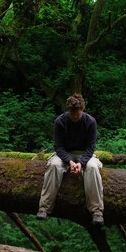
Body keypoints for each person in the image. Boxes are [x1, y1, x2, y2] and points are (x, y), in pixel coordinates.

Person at [36, 93, 104, 226]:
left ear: (82, 110)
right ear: (68, 110)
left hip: (84, 154)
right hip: (64, 153)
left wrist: (81, 163)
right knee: (54, 165)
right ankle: (44, 208)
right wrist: (70, 161)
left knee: (92, 168)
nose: (74, 116)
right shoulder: (60, 121)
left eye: (76, 114)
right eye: (71, 113)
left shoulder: (90, 122)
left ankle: (97, 212)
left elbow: (91, 147)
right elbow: (58, 146)